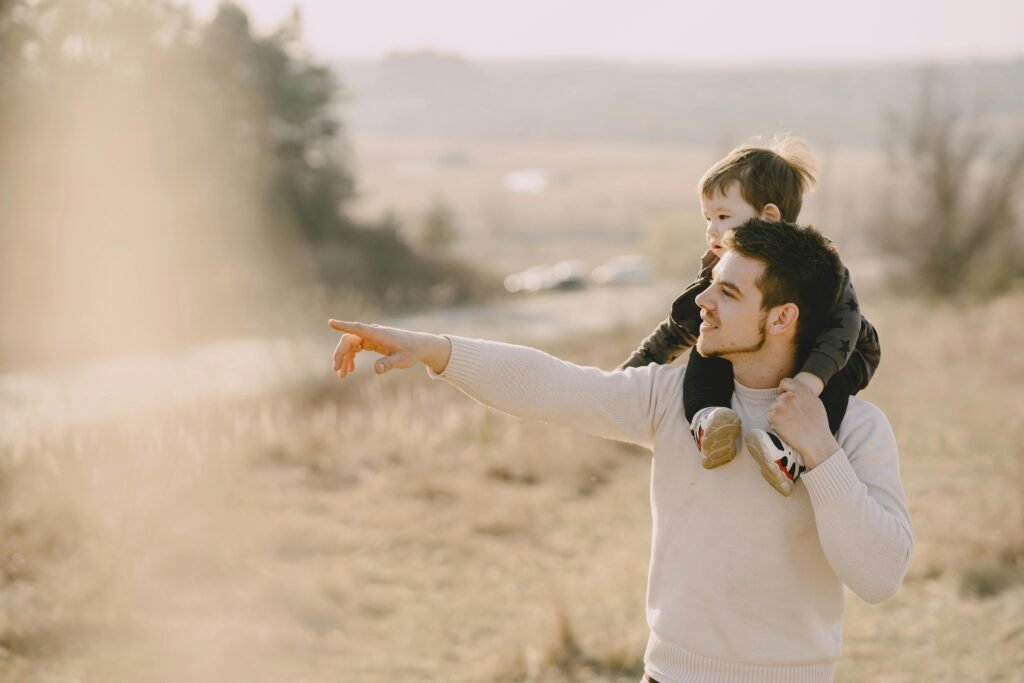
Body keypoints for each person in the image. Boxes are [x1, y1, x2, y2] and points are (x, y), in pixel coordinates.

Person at [328, 218, 913, 683]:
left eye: (728, 292)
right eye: (712, 282)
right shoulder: (672, 396)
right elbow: (557, 386)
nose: (703, 301)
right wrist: (433, 348)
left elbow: (880, 576)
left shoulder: (857, 430)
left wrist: (820, 454)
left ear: (782, 317)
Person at [621, 138, 880, 495]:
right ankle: (708, 421)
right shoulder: (722, 266)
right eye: (708, 218)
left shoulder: (816, 263)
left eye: (724, 217)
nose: (712, 230)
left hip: (839, 353)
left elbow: (844, 327)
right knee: (708, 344)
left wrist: (810, 381)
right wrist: (635, 368)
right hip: (768, 350)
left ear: (769, 217)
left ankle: (789, 453)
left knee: (830, 388)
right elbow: (687, 322)